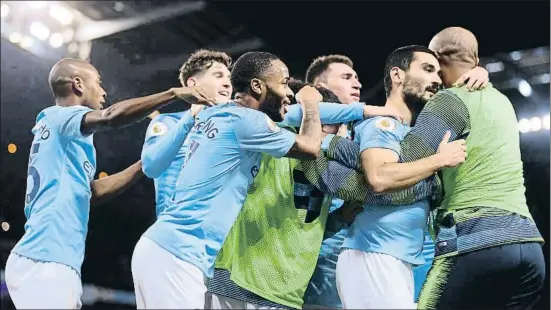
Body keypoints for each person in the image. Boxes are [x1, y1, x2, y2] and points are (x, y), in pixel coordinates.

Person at [5, 58, 213, 309]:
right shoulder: (59, 117)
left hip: (53, 260)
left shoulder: (63, 137)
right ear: (78, 85)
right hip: (45, 258)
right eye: (99, 83)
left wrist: (145, 163)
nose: (104, 92)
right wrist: (174, 93)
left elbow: (91, 192)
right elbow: (111, 116)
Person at [131, 51, 326, 309]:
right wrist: (311, 104)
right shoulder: (248, 121)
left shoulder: (217, 114)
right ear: (257, 86)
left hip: (168, 250)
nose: (289, 92)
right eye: (283, 83)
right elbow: (311, 148)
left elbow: (284, 116)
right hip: (178, 253)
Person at [412, 27, 545, 310]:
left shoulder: (448, 100)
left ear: (436, 58)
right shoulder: (503, 101)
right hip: (530, 248)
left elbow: (408, 162)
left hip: (476, 241)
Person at [140, 49, 233, 217]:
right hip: (176, 234)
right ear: (193, 84)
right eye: (218, 75)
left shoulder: (235, 125)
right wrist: (191, 118)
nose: (228, 83)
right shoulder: (167, 122)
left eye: (229, 78)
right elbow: (151, 166)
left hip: (225, 235)